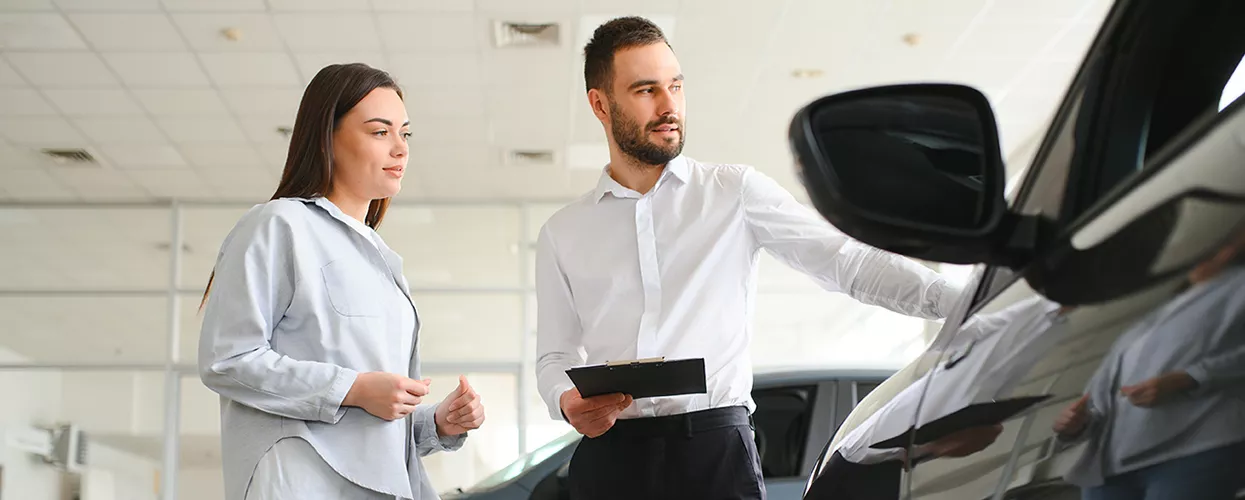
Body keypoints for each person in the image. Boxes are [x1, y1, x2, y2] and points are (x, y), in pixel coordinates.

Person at [534, 17, 964, 499]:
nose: (669, 104)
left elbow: (849, 262)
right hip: (610, 462)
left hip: (715, 453)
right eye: (645, 90)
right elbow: (555, 356)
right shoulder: (562, 234)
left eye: (675, 85)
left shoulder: (733, 192)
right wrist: (565, 400)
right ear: (600, 104)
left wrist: (965, 302)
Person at [198, 63, 485, 500]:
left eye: (404, 134)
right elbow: (228, 358)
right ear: (327, 136)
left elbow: (370, 422)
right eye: (379, 132)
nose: (400, 149)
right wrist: (354, 388)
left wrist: (436, 423)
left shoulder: (378, 259)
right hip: (299, 481)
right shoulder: (280, 225)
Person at [1052, 228, 1245, 500]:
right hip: (1110, 463)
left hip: (1194, 448)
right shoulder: (1155, 316)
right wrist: (1077, 424)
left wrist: (1190, 377)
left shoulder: (1238, 287)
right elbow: (1104, 388)